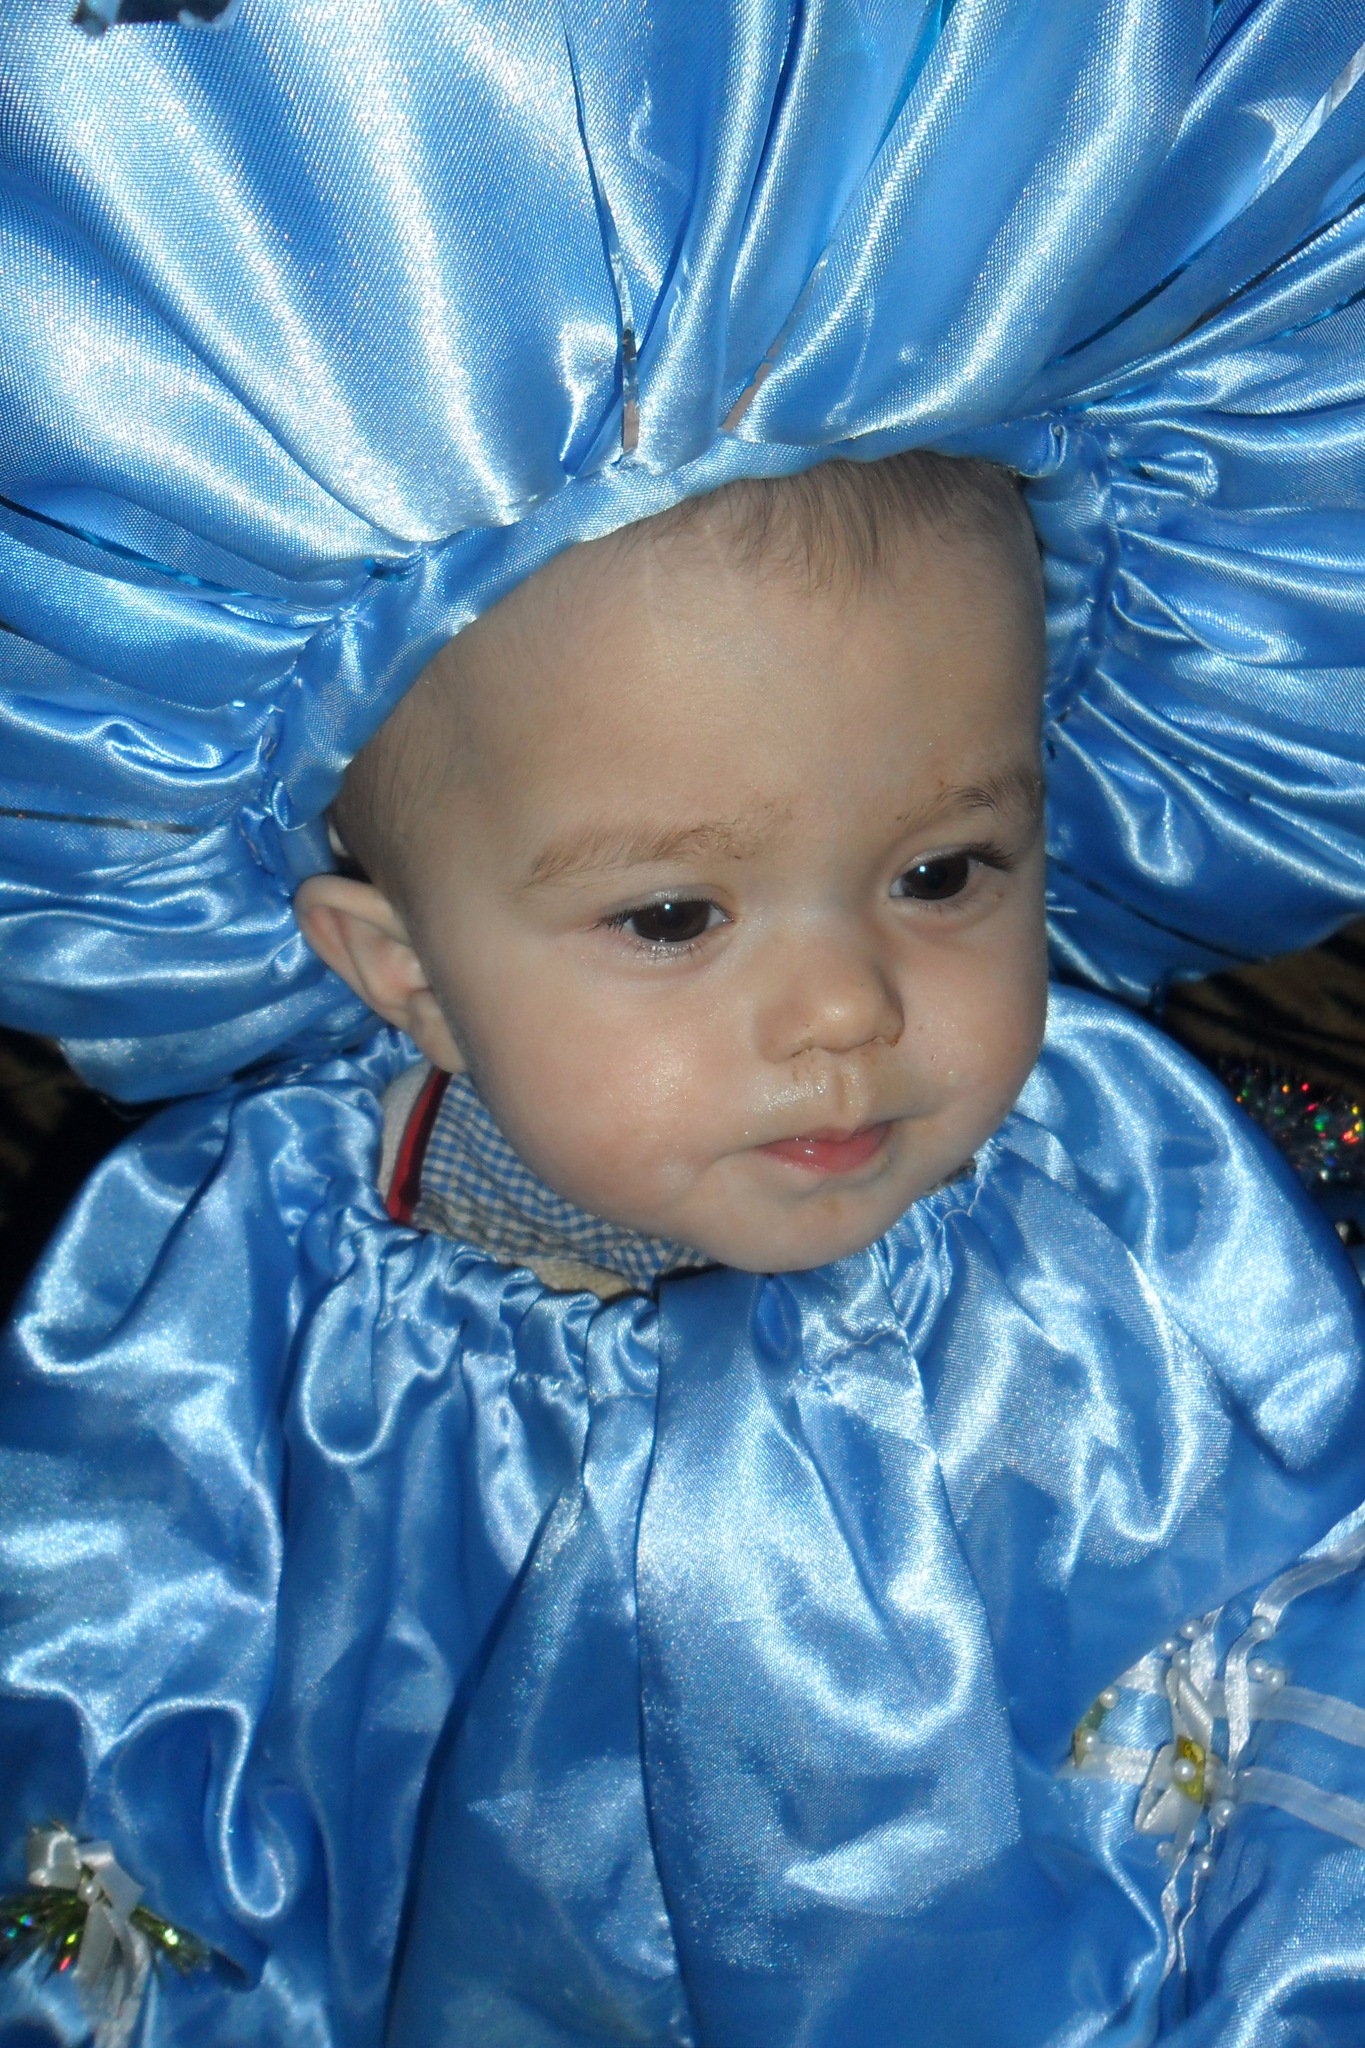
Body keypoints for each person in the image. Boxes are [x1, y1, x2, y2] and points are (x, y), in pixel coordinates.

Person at [4, 5, 1365, 2046]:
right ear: (398, 968)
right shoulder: (252, 1280)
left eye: (943, 871)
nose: (844, 1005)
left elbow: (1279, 1619)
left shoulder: (1112, 1212)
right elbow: (139, 1699)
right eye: (669, 914)